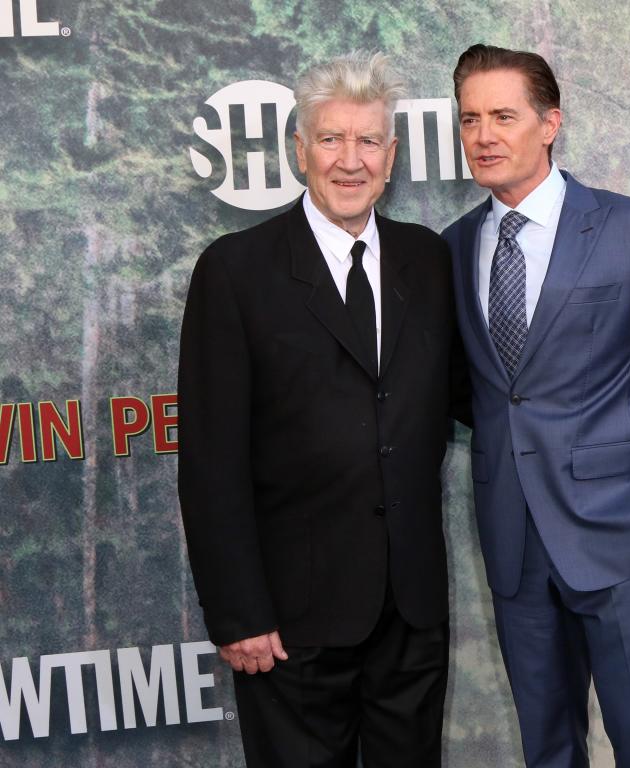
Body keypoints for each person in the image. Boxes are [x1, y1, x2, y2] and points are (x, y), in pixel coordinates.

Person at [177, 52, 470, 767]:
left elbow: (478, 394)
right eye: (332, 139)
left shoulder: (427, 261)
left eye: (368, 141)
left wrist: (611, 402)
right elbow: (211, 462)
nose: (350, 160)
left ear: (392, 155)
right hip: (288, 624)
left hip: (411, 612)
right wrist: (239, 612)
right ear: (300, 149)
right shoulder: (236, 271)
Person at [442, 44, 630, 767]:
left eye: (504, 116)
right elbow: (474, 391)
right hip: (512, 539)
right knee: (548, 752)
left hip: (620, 532)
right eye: (470, 118)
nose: (484, 135)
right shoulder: (448, 249)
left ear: (550, 124)